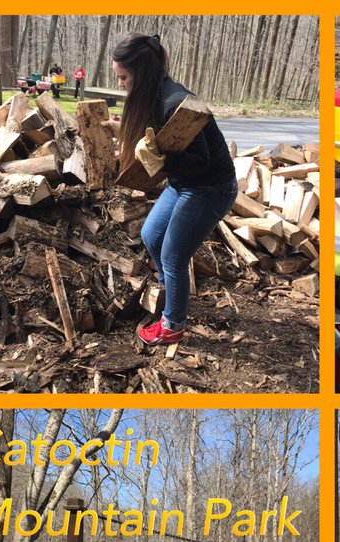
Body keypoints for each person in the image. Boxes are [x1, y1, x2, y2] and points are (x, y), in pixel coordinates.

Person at [112, 33, 238, 347]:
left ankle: (173, 325)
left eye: (123, 77)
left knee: (173, 254)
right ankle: (174, 295)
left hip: (210, 187)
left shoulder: (175, 102)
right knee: (151, 235)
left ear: (139, 73)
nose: (120, 84)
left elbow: (199, 161)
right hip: (184, 183)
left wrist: (161, 160)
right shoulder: (153, 96)